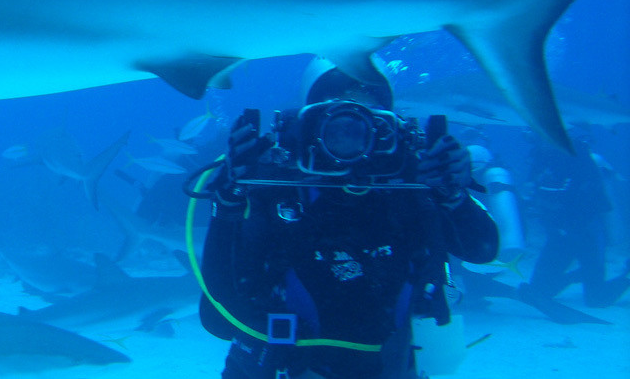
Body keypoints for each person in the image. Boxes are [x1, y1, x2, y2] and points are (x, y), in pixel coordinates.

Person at [197, 57, 498, 379]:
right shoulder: (277, 185)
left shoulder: (412, 187)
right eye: (337, 127)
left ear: (387, 128)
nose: (351, 142)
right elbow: (218, 318)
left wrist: (453, 196)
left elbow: (482, 250)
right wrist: (228, 202)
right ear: (309, 125)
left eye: (365, 125)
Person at [519, 137, 630, 311]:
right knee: (539, 292)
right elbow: (533, 191)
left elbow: (590, 201)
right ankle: (579, 274)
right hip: (558, 235)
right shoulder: (541, 159)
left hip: (587, 235)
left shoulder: (580, 160)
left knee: (597, 300)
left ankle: (626, 277)